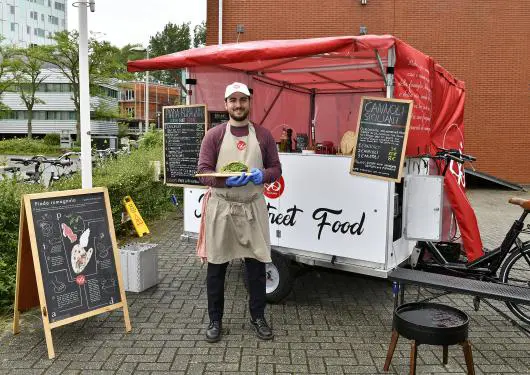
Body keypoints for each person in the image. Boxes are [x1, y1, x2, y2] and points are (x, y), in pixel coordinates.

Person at [196, 82, 282, 343]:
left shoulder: (264, 135)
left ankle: (258, 317)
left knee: (256, 267)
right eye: (232, 100)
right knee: (216, 268)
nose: (238, 105)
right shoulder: (214, 135)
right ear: (225, 104)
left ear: (249, 102)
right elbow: (203, 171)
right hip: (221, 207)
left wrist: (262, 175)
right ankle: (215, 320)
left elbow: (276, 168)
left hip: (252, 206)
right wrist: (223, 181)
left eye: (242, 99)